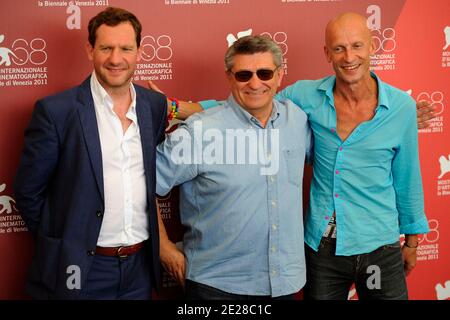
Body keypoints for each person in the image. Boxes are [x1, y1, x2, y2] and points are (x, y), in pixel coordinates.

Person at [153, 12, 430, 300]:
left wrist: (411, 240)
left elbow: (407, 178)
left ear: (373, 46)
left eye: (357, 46)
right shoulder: (303, 97)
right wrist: (181, 109)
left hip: (373, 247)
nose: (349, 56)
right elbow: (247, 101)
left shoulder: (398, 108)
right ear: (327, 53)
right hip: (315, 251)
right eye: (339, 48)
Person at [14, 7, 167, 299]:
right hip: (81, 267)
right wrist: (63, 242)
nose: (115, 59)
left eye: (125, 48)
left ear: (140, 51)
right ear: (90, 49)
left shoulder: (154, 106)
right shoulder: (57, 111)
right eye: (106, 48)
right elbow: (28, 192)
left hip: (139, 267)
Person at [156, 35, 312, 299]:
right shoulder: (200, 131)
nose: (255, 83)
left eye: (264, 73)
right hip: (217, 287)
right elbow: (139, 183)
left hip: (286, 282)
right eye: (243, 75)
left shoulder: (297, 120)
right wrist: (163, 247)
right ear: (229, 77)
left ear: (279, 76)